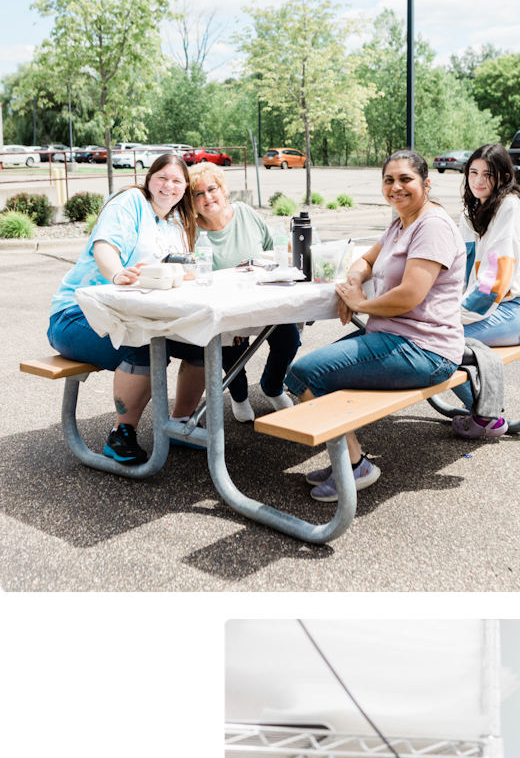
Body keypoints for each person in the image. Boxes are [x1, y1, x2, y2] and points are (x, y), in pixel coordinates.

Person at [285, 150, 467, 503]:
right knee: (316, 370)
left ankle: (354, 465)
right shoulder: (401, 222)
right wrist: (353, 280)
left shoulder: (432, 226)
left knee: (304, 374)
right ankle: (346, 458)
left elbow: (409, 296)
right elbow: (366, 260)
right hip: (395, 338)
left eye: (405, 179)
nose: (396, 187)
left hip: (425, 350)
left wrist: (360, 304)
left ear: (426, 184)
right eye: (389, 180)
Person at [47, 152, 204, 464]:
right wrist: (117, 273)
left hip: (137, 316)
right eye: (162, 177)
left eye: (176, 181)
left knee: (200, 341)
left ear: (185, 188)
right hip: (77, 315)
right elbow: (105, 247)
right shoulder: (130, 201)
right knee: (142, 346)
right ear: (149, 180)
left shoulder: (178, 223)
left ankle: (180, 425)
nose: (168, 185)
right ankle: (122, 434)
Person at [450, 143, 520, 433]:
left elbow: (496, 281)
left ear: (504, 178)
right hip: (492, 306)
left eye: (488, 174)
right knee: (429, 335)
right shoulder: (472, 214)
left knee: (437, 341)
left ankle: (487, 415)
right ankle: (486, 407)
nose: (478, 181)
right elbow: (461, 271)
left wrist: (451, 317)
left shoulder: (510, 206)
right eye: (473, 173)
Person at [187, 161, 299, 422]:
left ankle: (272, 387)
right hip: (225, 308)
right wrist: (231, 325)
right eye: (198, 194)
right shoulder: (192, 232)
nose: (207, 197)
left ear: (224, 190)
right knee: (228, 346)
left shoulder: (246, 213)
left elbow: (276, 247)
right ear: (192, 201)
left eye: (212, 189)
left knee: (289, 338)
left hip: (264, 301)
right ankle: (238, 394)